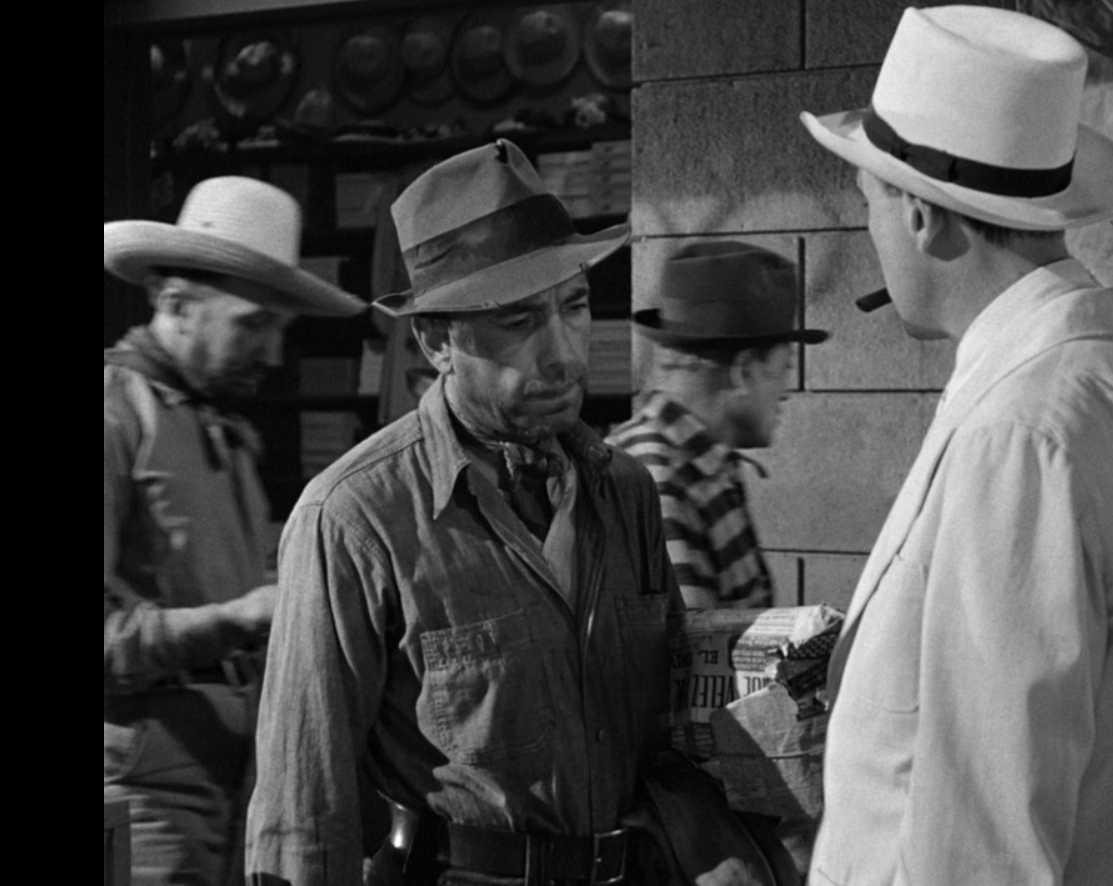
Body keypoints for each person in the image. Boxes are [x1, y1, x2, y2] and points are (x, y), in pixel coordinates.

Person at [798, 6, 1113, 885]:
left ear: (921, 215)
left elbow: (981, 845)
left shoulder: (1020, 436)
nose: (872, 235)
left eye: (869, 204)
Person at [244, 140, 683, 886]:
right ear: (435, 340)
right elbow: (305, 810)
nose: (563, 354)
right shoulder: (355, 518)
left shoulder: (624, 491)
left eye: (575, 307)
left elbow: (666, 732)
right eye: (518, 321)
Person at [104, 176, 367, 885]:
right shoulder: (115, 414)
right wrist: (241, 616)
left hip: (232, 781)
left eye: (280, 329)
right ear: (175, 303)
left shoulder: (220, 426)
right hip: (140, 794)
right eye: (252, 325)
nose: (273, 353)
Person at [608, 242, 829, 609]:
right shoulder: (656, 484)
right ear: (743, 371)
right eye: (783, 368)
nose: (785, 392)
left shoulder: (705, 466)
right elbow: (688, 643)